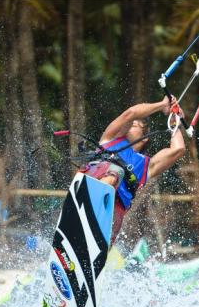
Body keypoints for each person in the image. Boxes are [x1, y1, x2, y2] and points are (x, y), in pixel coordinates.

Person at [79, 96, 186, 244]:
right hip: (92, 183)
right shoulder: (111, 138)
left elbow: (178, 149)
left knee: (109, 237)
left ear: (144, 138)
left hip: (114, 210)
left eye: (135, 125)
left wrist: (176, 123)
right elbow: (131, 113)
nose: (130, 125)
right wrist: (162, 105)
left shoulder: (147, 165)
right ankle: (87, 214)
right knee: (115, 173)